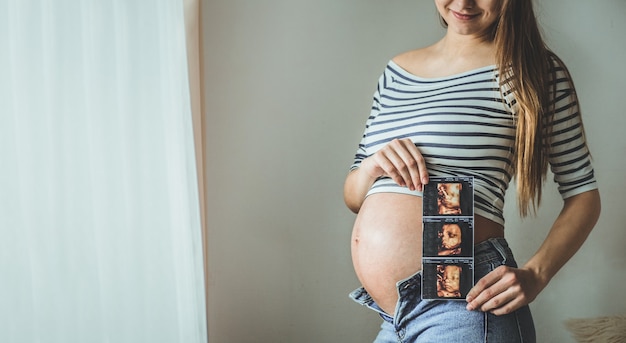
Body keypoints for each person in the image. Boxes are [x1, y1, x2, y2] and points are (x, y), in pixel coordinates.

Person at [345, 1, 601, 342]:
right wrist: (372, 166)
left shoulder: (534, 71)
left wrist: (536, 274)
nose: (464, 2)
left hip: (463, 300)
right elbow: (353, 195)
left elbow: (584, 194)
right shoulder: (397, 71)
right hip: (394, 316)